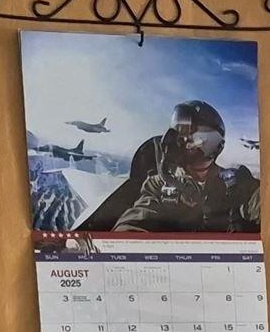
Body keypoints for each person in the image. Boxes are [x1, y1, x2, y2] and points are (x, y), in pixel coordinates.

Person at [75, 99, 259, 236]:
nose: (179, 141)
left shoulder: (237, 182)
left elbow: (262, 203)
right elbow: (136, 221)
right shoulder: (158, 184)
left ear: (211, 143)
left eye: (188, 135)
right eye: (178, 132)